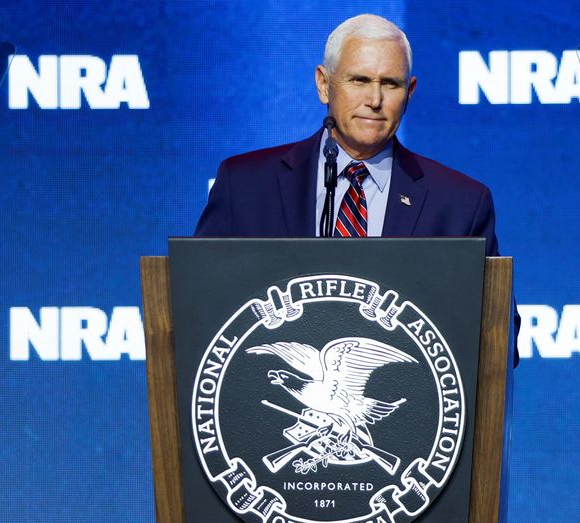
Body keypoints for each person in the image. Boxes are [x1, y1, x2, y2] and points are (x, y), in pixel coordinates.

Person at [195, 14, 519, 363]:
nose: (375, 99)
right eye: (359, 80)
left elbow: (498, 339)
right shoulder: (244, 185)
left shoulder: (459, 203)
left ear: (409, 92)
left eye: (390, 84)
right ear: (324, 84)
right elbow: (198, 308)